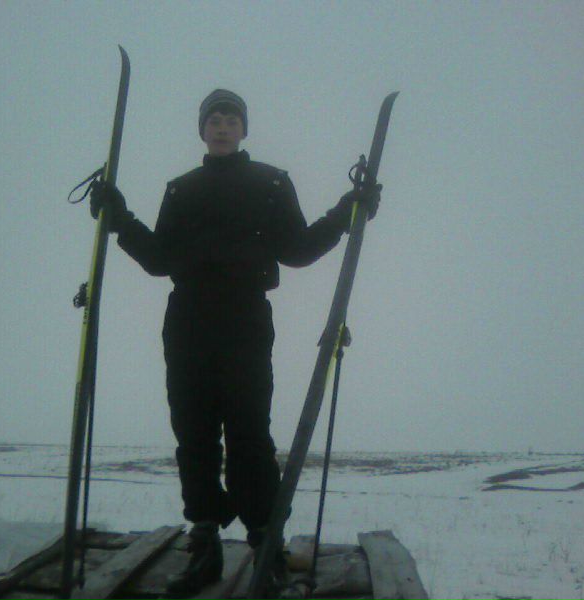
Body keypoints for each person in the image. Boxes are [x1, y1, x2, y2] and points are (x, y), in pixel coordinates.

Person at [91, 89, 379, 594]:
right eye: (214, 119)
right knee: (193, 432)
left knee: (249, 433)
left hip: (245, 318)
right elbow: (159, 259)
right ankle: (204, 547)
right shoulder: (181, 189)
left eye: (231, 119)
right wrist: (120, 219)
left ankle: (266, 546)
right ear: (202, 130)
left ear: (243, 129)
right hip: (187, 320)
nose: (222, 126)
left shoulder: (271, 182)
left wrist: (346, 211)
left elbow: (297, 249)